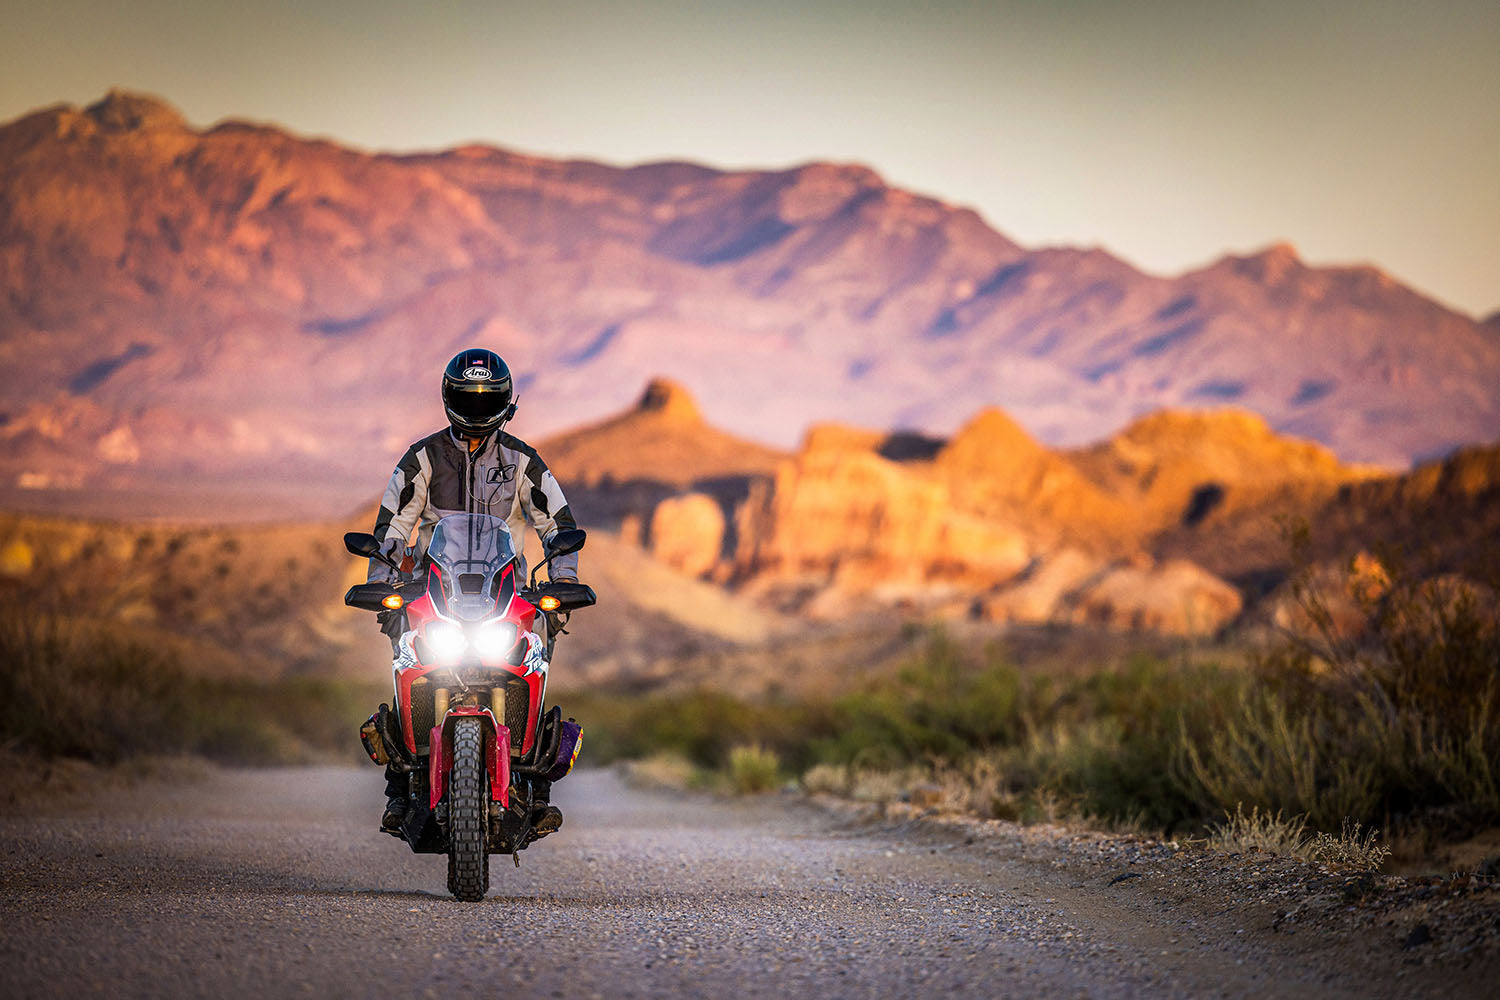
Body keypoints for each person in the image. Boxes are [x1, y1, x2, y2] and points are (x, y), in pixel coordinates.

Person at [367, 347, 578, 836]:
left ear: (505, 402)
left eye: (488, 402)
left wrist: (563, 582)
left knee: (533, 664)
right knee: (407, 666)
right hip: (431, 590)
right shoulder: (422, 459)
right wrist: (382, 581)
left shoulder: (524, 463)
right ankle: (400, 787)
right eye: (469, 400)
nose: (479, 412)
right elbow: (393, 526)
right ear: (449, 398)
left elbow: (556, 524)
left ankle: (536, 788)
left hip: (507, 593)